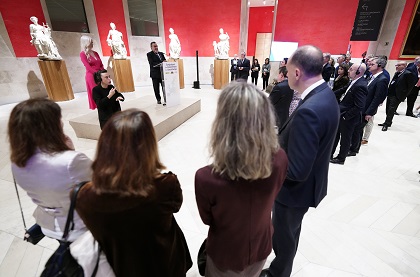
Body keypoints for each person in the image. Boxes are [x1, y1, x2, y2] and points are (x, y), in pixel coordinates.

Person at [76, 109, 192, 277]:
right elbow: (176, 206)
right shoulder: (165, 186)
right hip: (163, 264)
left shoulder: (83, 197)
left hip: (119, 268)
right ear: (148, 146)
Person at [261, 45, 339, 277]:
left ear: (296, 73)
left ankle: (278, 274)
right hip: (308, 187)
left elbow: (296, 169)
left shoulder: (310, 110)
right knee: (290, 233)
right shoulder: (325, 93)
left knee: (283, 236)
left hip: (294, 192)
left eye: (287, 69)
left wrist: (267, 159)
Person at [195, 81, 288, 277]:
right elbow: (276, 191)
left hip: (225, 255)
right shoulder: (280, 159)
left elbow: (207, 219)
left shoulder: (206, 178)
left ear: (222, 123)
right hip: (261, 246)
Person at [9, 98, 92, 242]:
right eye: (58, 119)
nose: (62, 122)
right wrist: (70, 152)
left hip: (49, 226)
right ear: (49, 126)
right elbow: (100, 183)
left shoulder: (17, 163)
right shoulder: (70, 161)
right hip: (79, 227)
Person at [349, 56, 388, 154]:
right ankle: (355, 147)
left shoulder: (382, 79)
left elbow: (377, 98)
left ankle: (353, 149)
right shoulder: (372, 76)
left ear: (379, 66)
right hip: (362, 107)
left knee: (357, 129)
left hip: (367, 109)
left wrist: (369, 112)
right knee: (357, 129)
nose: (369, 66)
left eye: (372, 64)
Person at [330, 63, 368, 165]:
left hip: (348, 117)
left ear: (358, 72)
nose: (348, 71)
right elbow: (343, 90)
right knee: (336, 135)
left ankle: (341, 158)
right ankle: (330, 154)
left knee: (345, 139)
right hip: (342, 113)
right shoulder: (354, 82)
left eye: (351, 69)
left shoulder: (360, 85)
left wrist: (346, 117)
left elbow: (359, 106)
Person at [379, 61, 417, 131]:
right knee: (387, 109)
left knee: (391, 109)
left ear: (404, 66)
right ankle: (387, 121)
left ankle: (387, 124)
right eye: (396, 65)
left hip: (397, 95)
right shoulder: (397, 73)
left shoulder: (408, 74)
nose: (397, 66)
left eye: (399, 65)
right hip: (391, 93)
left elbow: (410, 86)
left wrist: (404, 95)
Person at [80, 35, 104, 110]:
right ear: (86, 43)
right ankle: (99, 107)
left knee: (103, 90)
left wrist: (103, 72)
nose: (92, 43)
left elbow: (101, 64)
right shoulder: (83, 54)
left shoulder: (96, 53)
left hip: (100, 74)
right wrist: (97, 74)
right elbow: (88, 67)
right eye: (91, 42)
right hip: (92, 76)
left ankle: (105, 105)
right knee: (96, 92)